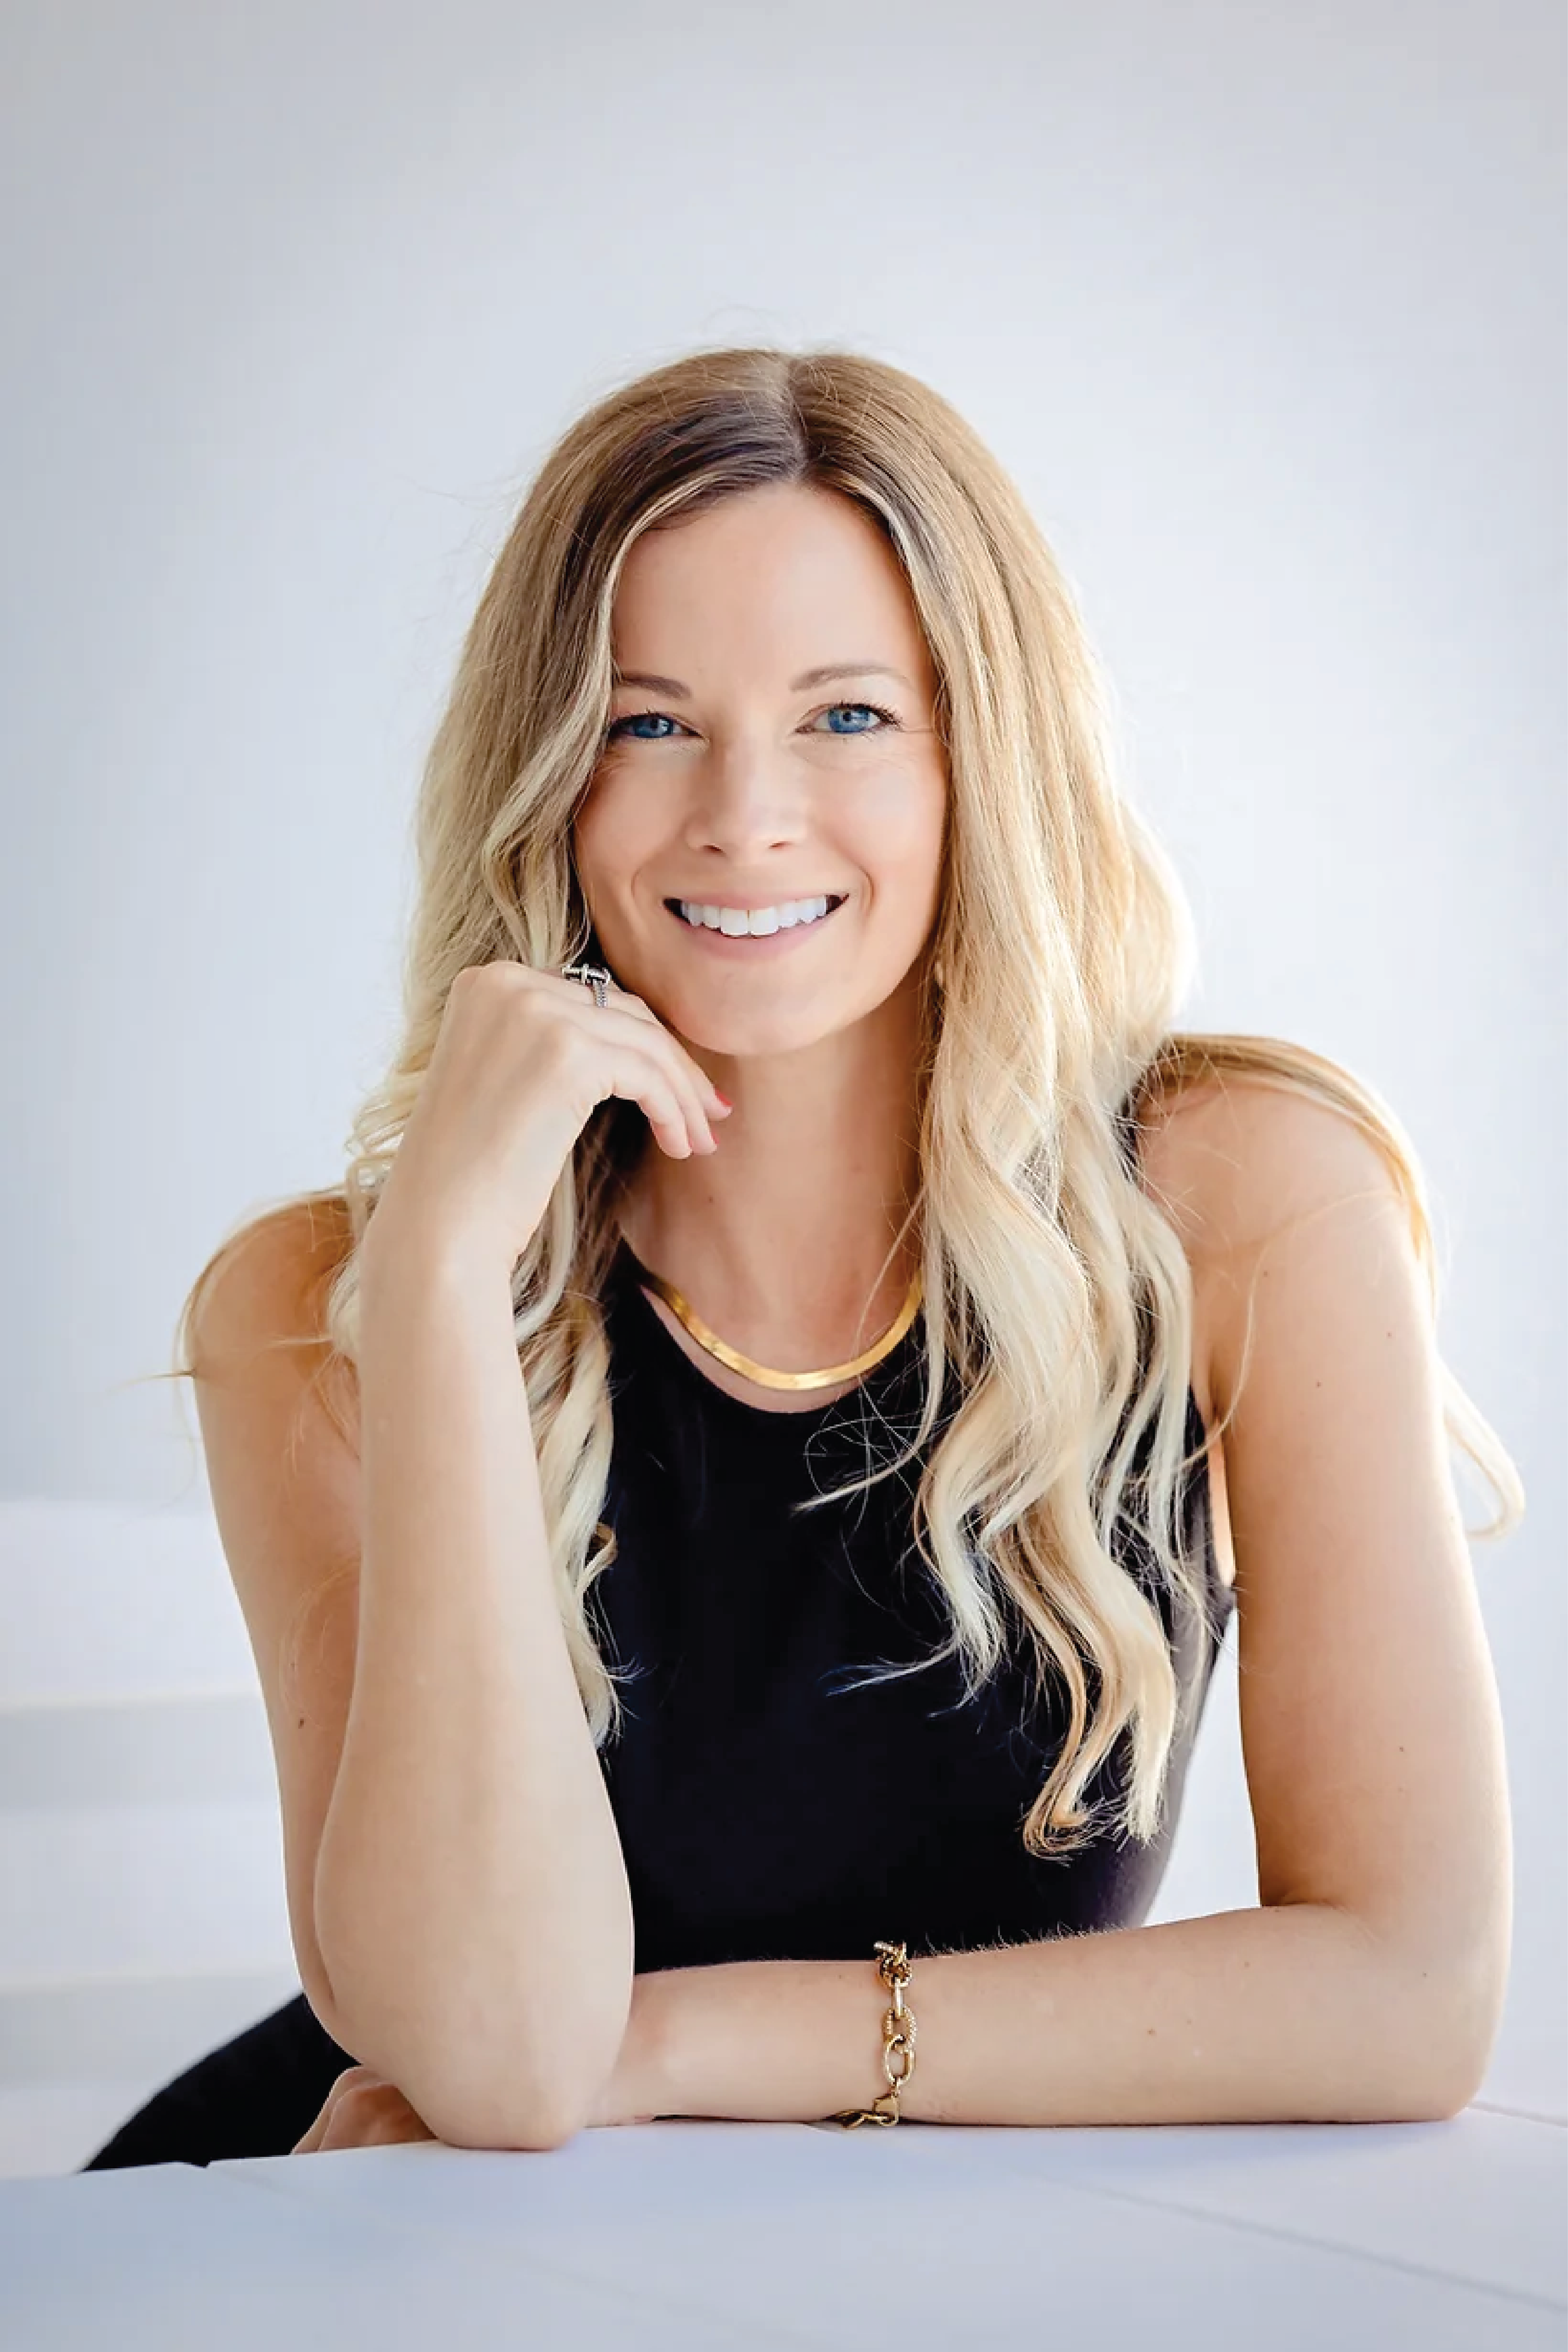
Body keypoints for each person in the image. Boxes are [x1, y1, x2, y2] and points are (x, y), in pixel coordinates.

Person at [84, 344, 1520, 2169]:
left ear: (974, 753)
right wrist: (445, 1274)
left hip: (874, 2261)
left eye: (844, 716)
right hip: (386, 2244)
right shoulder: (320, 1308)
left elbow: (1408, 1986)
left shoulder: (1241, 1203)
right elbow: (505, 2067)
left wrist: (677, 2039)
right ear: (551, 777)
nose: (741, 815)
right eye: (644, 717)